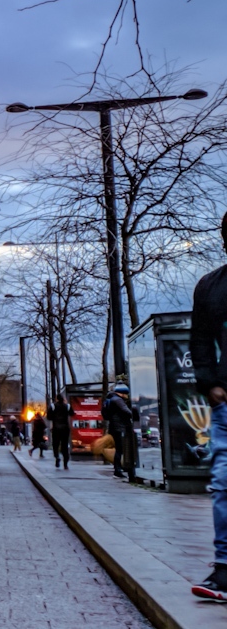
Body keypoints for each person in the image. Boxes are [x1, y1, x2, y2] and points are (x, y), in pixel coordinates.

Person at [190, 211, 227, 600]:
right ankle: (225, 569)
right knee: (223, 483)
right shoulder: (210, 286)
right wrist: (210, 383)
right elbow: (199, 339)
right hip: (225, 404)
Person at [103, 383, 133, 478]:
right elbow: (126, 411)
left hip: (113, 427)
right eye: (126, 394)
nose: (127, 396)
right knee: (120, 450)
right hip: (120, 427)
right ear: (122, 393)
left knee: (119, 449)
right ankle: (118, 470)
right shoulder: (118, 400)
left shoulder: (109, 399)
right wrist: (134, 414)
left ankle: (118, 469)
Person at [47, 395, 72, 470]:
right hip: (65, 428)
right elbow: (72, 413)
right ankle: (65, 464)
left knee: (55, 444)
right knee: (65, 445)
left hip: (56, 428)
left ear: (56, 399)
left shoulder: (53, 406)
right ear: (63, 399)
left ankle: (57, 457)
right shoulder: (67, 406)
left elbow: (49, 417)